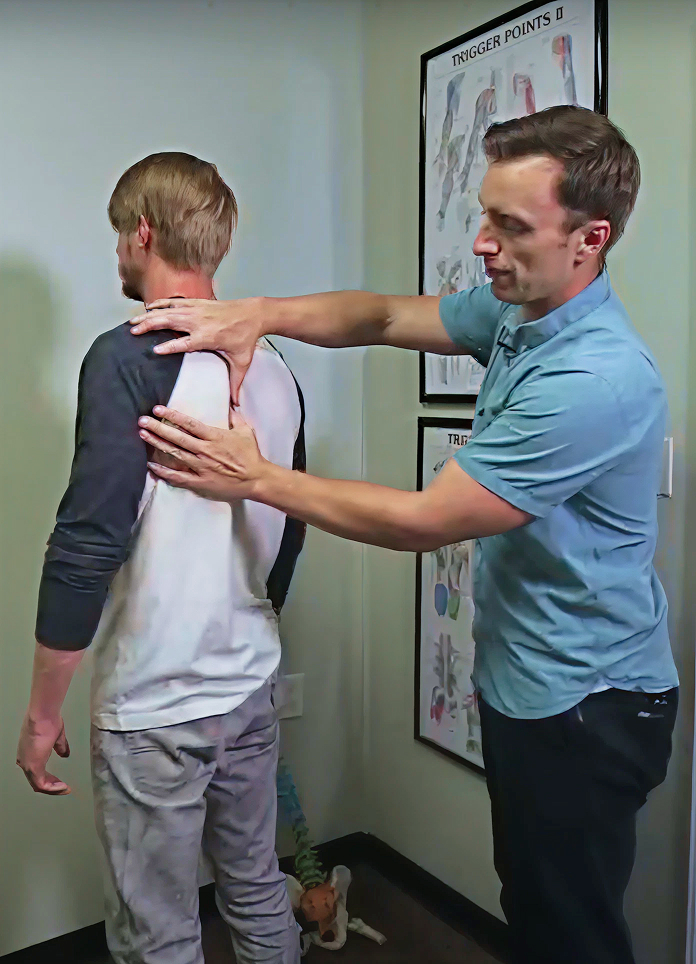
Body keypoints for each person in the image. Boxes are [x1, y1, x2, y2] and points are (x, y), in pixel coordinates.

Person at [129, 107, 679, 964]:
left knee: (571, 932)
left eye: (510, 225)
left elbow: (426, 520)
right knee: (535, 903)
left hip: (586, 705)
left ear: (590, 238)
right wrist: (257, 315)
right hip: (531, 682)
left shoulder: (593, 379)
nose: (483, 244)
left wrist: (258, 478)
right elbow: (384, 317)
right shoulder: (519, 312)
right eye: (485, 216)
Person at [16, 152, 306, 964]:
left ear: (143, 233)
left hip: (157, 701)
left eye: (120, 234)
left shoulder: (127, 356)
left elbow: (86, 544)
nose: (117, 251)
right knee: (257, 887)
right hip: (249, 682)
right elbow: (291, 526)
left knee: (159, 932)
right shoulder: (275, 366)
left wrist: (42, 713)